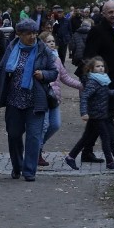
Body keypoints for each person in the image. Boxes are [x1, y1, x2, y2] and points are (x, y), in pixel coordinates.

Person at [0, 18, 58, 182]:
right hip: (14, 100)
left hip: (35, 101)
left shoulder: (43, 50)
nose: (32, 36)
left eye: (35, 33)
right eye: (28, 33)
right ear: (19, 34)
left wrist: (43, 75)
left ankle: (29, 171)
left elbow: (54, 72)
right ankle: (17, 166)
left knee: (34, 137)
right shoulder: (12, 48)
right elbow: (1, 69)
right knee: (14, 135)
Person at [64, 56, 114, 171]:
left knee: (85, 138)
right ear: (91, 69)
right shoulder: (93, 82)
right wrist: (84, 112)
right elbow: (85, 96)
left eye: (102, 66)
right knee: (105, 137)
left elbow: (107, 93)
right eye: (97, 66)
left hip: (100, 113)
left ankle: (71, 157)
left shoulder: (102, 80)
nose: (101, 68)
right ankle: (110, 162)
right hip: (96, 115)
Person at [81, 0, 114, 163]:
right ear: (103, 14)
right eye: (110, 12)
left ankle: (86, 152)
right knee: (106, 116)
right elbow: (88, 56)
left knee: (99, 118)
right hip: (101, 81)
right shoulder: (97, 31)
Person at [38, 31, 82, 166]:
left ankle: (36, 146)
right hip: (43, 97)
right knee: (44, 125)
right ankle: (36, 152)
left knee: (55, 124)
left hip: (54, 98)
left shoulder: (56, 59)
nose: (52, 44)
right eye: (48, 41)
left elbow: (65, 77)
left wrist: (81, 86)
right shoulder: (39, 58)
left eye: (53, 41)